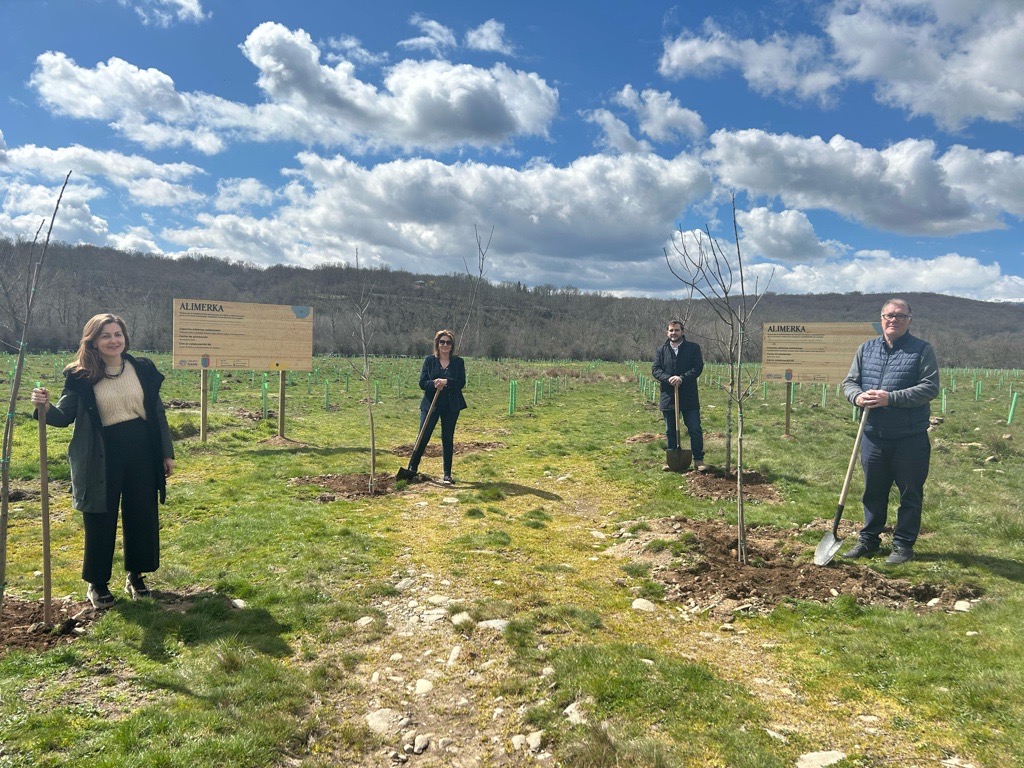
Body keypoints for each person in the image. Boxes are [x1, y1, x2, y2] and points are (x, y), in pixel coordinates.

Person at [31, 313, 175, 609]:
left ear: (125, 338)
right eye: (106, 335)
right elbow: (63, 417)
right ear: (93, 341)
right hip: (101, 453)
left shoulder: (142, 368)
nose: (113, 340)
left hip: (142, 451)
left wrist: (166, 452)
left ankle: (137, 576)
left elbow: (157, 413)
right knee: (100, 518)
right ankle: (97, 583)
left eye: (117, 334)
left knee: (142, 515)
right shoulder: (81, 375)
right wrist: (43, 407)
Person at [841, 298, 939, 564]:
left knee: (910, 492)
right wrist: (857, 397)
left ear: (909, 320)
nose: (893, 320)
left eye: (900, 316)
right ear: (881, 318)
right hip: (873, 434)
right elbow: (849, 382)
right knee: (873, 491)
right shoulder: (866, 349)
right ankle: (869, 540)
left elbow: (930, 387)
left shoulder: (921, 350)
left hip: (910, 437)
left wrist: (890, 398)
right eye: (889, 315)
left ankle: (903, 545)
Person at [406, 329, 467, 485]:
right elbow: (422, 383)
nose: (445, 345)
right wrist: (434, 383)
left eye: (448, 342)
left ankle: (447, 474)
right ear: (437, 344)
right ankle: (412, 469)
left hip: (450, 406)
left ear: (452, 345)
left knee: (447, 438)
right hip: (430, 405)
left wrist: (446, 382)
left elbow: (461, 383)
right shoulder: (429, 361)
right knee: (423, 436)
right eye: (442, 342)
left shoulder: (458, 362)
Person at [652, 319, 706, 471]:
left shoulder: (693, 348)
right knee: (670, 430)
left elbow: (697, 368)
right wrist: (668, 378)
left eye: (676, 330)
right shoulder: (661, 350)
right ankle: (671, 460)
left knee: (694, 428)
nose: (673, 333)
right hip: (669, 396)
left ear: (682, 332)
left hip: (688, 396)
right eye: (671, 330)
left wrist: (682, 377)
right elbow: (655, 369)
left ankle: (698, 460)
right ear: (667, 332)